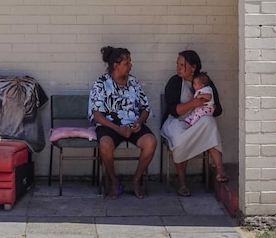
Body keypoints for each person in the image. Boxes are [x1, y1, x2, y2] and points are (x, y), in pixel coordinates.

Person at [89, 46, 157, 199]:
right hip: (110, 126)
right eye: (127, 63)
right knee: (105, 145)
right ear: (116, 65)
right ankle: (114, 181)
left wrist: (139, 122)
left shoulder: (134, 82)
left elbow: (145, 108)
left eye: (130, 62)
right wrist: (118, 129)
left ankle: (136, 180)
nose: (130, 66)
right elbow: (97, 115)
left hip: (133, 125)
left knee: (151, 142)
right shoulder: (101, 83)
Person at [161, 50, 228, 197]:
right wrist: (194, 103)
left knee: (209, 122)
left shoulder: (205, 83)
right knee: (178, 137)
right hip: (176, 121)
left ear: (193, 67)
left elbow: (218, 110)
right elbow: (173, 110)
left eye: (182, 65)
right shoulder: (174, 82)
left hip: (196, 123)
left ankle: (220, 169)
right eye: (177, 64)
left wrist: (212, 107)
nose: (178, 68)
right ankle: (182, 182)